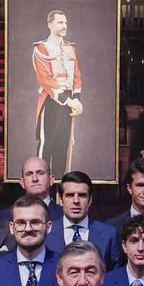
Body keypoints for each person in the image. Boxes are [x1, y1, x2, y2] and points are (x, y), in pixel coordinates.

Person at [0, 195, 62, 286]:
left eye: (35, 222)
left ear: (49, 226)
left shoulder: (63, 266)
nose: (28, 229)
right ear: (12, 228)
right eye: (21, 223)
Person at [32, 11, 83, 175]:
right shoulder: (41, 48)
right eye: (60, 22)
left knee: (63, 145)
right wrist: (69, 101)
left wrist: (77, 100)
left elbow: (76, 76)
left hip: (69, 103)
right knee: (47, 145)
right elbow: (45, 80)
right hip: (51, 101)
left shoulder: (70, 48)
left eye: (66, 23)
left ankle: (60, 187)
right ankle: (40, 186)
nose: (64, 26)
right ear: (50, 24)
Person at [45, 169, 119, 265]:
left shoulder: (108, 234)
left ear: (90, 200)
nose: (76, 201)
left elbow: (113, 274)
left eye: (82, 195)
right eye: (70, 195)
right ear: (60, 200)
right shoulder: (46, 232)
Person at [17, 155, 66, 221]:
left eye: (40, 173)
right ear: (22, 182)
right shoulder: (7, 217)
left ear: (51, 180)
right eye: (29, 174)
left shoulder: (65, 215)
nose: (35, 179)